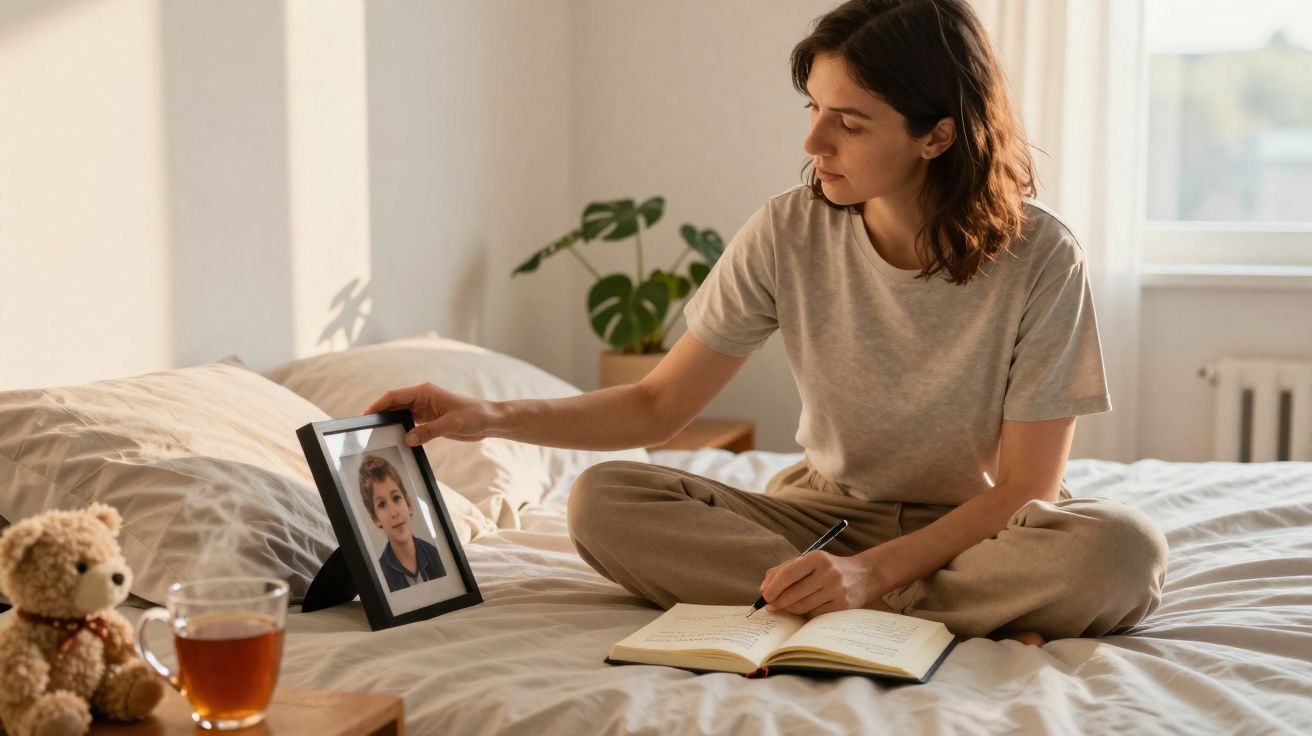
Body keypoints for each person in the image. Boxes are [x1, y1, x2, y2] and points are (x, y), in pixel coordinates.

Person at [365, 0, 1167, 646]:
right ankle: (938, 614)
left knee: (1123, 553)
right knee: (602, 502)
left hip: (977, 529)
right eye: (815, 107)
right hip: (820, 517)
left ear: (938, 134)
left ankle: (859, 605)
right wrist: (487, 416)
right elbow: (655, 408)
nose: (813, 140)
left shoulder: (1042, 254)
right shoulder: (788, 231)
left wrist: (873, 575)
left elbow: (1028, 487)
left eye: (849, 121)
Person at [357, 454, 445, 592]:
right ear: (375, 519)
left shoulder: (434, 555)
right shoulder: (380, 574)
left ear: (409, 504)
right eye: (382, 504)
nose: (394, 513)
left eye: (396, 498)